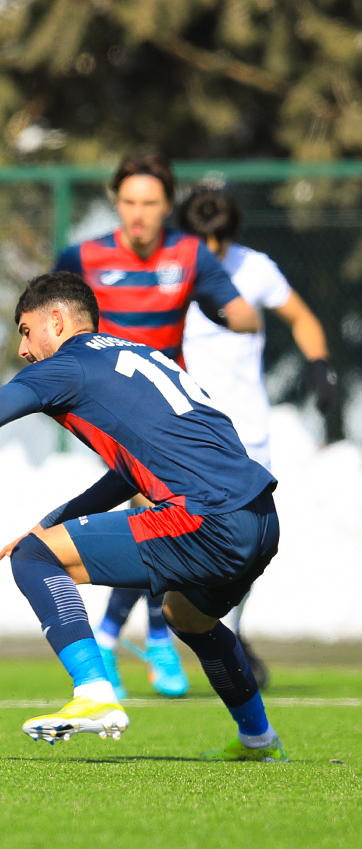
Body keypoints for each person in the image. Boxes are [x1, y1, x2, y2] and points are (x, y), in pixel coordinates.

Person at [0, 271, 286, 762]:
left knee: (33, 558)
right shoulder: (135, 355)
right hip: (260, 516)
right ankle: (259, 740)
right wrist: (48, 523)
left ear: (57, 320)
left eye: (26, 331)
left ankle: (94, 692)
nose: (23, 349)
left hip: (207, 519)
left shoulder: (69, 363)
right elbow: (129, 475)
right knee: (186, 615)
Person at [55, 151, 260, 701]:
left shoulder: (189, 254)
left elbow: (239, 311)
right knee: (161, 517)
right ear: (115, 202)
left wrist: (236, 315)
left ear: (168, 205)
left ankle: (119, 637)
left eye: (149, 202)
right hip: (107, 412)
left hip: (169, 417)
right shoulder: (83, 257)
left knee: (161, 518)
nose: (138, 213)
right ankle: (151, 639)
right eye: (128, 201)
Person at [180, 188, 341, 680]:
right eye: (202, 242)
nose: (211, 251)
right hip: (186, 427)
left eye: (219, 242)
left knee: (249, 542)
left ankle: (230, 631)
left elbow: (302, 318)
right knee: (167, 525)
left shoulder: (256, 268)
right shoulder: (171, 271)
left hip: (247, 430)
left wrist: (320, 366)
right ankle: (162, 633)